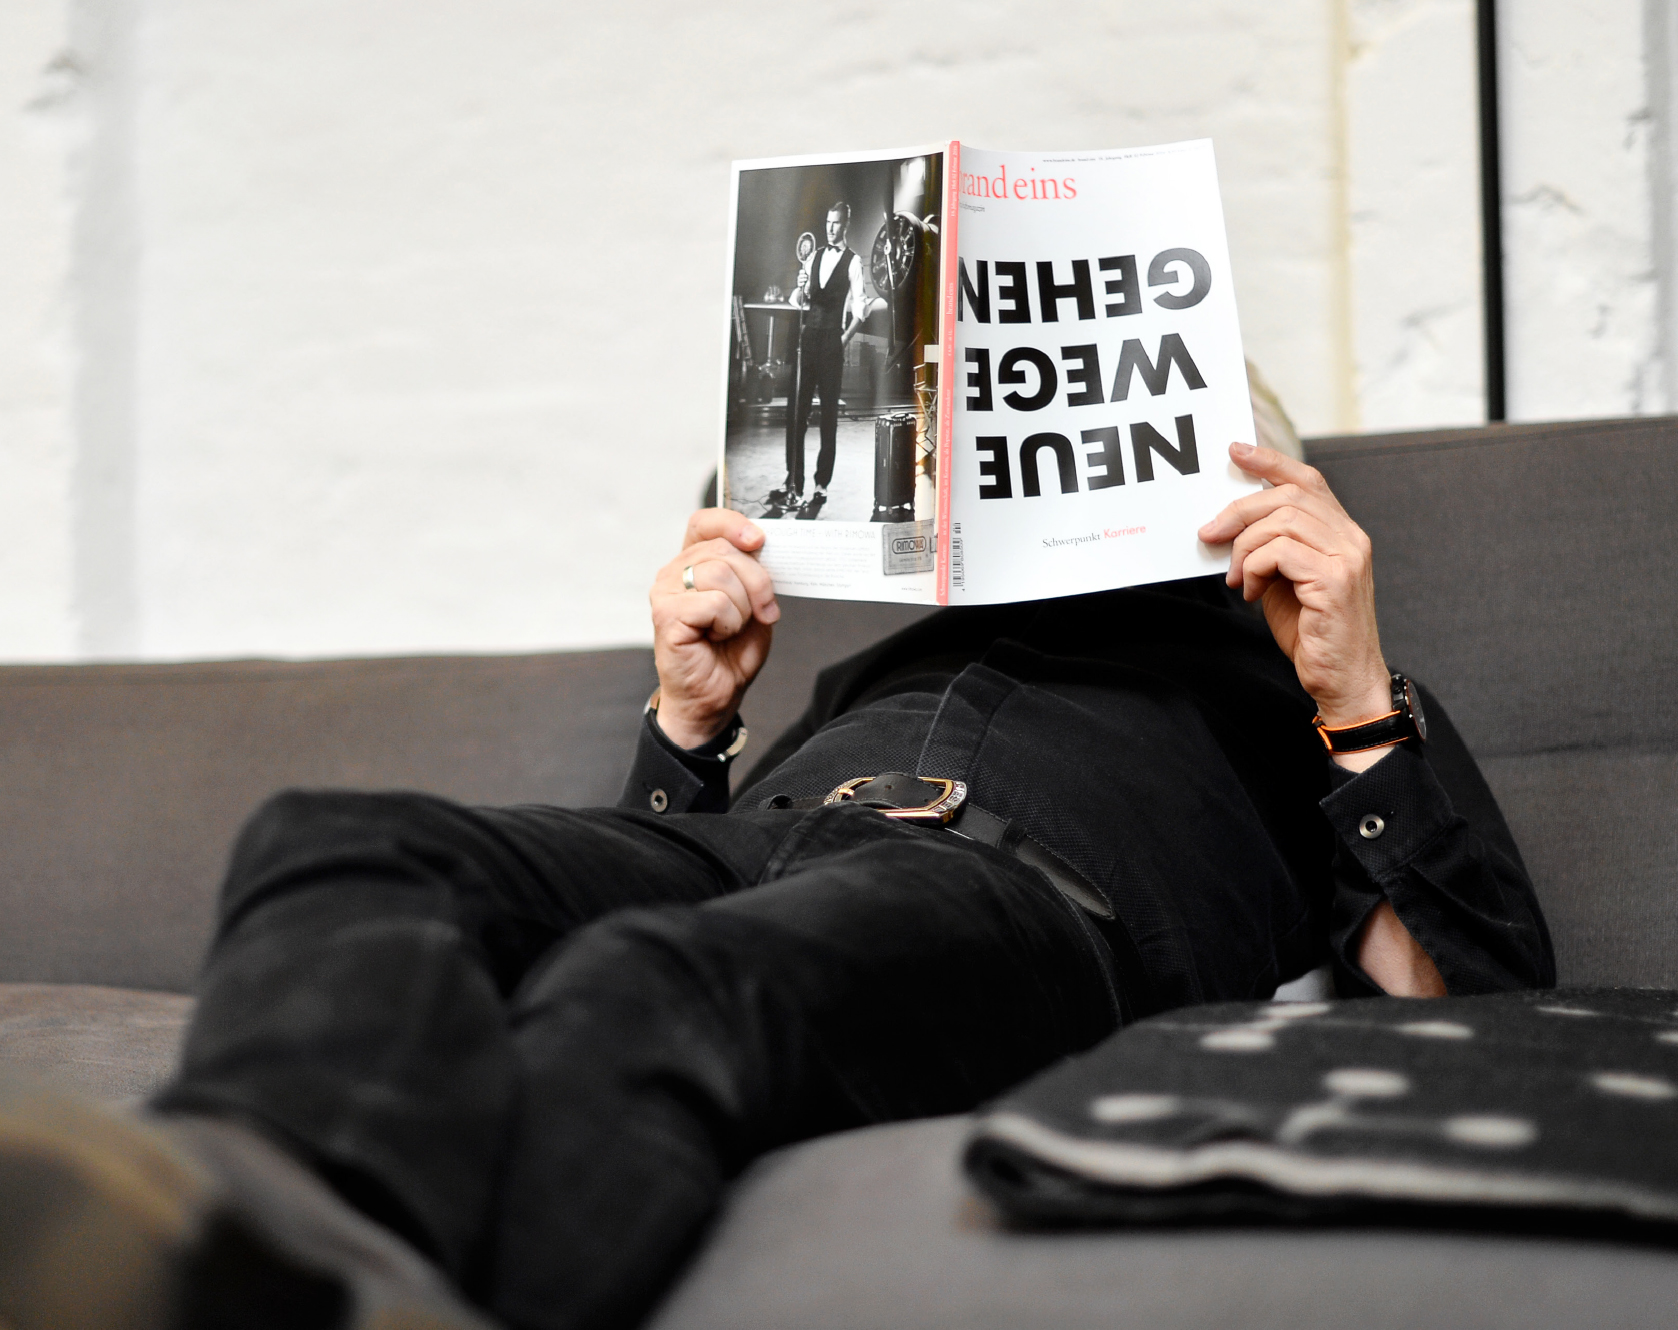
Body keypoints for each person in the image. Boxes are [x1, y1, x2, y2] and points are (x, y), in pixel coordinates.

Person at [0, 443, 1554, 1330]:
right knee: (336, 835)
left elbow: (1475, 1011)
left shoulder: (1316, 687)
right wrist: (692, 722)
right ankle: (240, 1233)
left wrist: (1352, 694)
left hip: (1030, 902)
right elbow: (656, 879)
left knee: (658, 984)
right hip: (773, 841)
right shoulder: (891, 656)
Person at [773, 200, 878, 520]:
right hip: (807, 341)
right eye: (828, 222)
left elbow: (861, 308)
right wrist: (800, 288)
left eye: (836, 223)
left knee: (829, 418)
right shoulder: (814, 256)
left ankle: (821, 485)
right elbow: (798, 300)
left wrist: (842, 340)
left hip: (832, 342)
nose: (830, 228)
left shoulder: (853, 261)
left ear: (846, 225)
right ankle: (794, 481)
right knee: (796, 414)